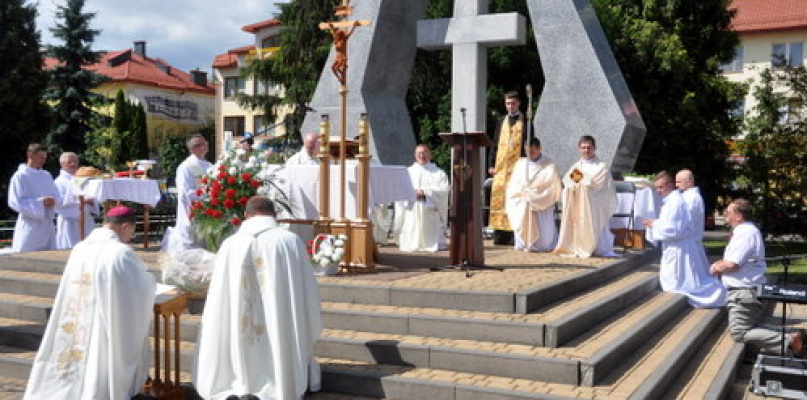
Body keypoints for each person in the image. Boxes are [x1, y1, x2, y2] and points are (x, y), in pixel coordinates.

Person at [194, 196, 322, 400]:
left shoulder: (230, 244)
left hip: (239, 321)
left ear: (246, 215)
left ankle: (239, 383)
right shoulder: (289, 242)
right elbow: (306, 288)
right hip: (281, 322)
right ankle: (279, 383)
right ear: (275, 214)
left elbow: (219, 298)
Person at [23, 206, 156, 400]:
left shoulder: (80, 248)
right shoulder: (119, 253)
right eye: (131, 232)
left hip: (76, 315)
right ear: (124, 226)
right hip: (100, 322)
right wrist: (151, 283)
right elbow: (141, 288)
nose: (130, 238)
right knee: (97, 358)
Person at [710, 199, 806, 357]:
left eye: (729, 212)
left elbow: (733, 264)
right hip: (745, 290)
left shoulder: (745, 233)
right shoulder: (746, 232)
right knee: (754, 325)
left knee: (739, 332)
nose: (725, 214)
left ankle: (790, 339)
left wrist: (716, 267)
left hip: (743, 291)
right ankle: (794, 334)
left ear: (739, 216)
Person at [643, 171, 725, 307]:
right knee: (680, 279)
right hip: (679, 244)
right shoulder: (676, 200)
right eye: (656, 188)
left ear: (669, 186)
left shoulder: (678, 201)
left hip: (680, 245)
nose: (658, 191)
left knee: (683, 281)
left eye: (660, 187)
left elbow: (674, 230)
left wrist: (654, 224)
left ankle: (709, 296)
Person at [553, 135, 618, 257]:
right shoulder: (576, 167)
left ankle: (593, 246)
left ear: (594, 148)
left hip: (595, 203)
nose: (586, 151)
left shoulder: (601, 167)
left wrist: (581, 184)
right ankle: (577, 245)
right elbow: (568, 182)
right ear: (579, 149)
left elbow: (598, 186)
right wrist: (574, 187)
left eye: (589, 148)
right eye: (583, 148)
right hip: (577, 202)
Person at [488, 91, 531, 245]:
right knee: (500, 199)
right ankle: (500, 233)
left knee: (515, 199)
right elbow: (494, 144)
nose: (510, 106)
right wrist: (491, 165)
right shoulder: (501, 121)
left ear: (519, 103)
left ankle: (514, 233)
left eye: (513, 103)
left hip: (517, 169)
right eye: (508, 103)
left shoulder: (526, 121)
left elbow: (529, 146)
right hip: (500, 169)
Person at [505, 138, 561, 252]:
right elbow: (514, 185)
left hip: (541, 204)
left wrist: (535, 195)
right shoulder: (520, 164)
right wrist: (523, 194)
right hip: (522, 203)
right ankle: (524, 243)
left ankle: (542, 245)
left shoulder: (549, 166)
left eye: (533, 151)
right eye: (527, 151)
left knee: (545, 241)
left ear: (539, 149)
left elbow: (552, 187)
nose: (530, 154)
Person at [161, 134, 212, 253]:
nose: (203, 147)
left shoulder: (209, 165)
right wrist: (208, 194)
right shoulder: (186, 167)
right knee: (190, 247)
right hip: (192, 210)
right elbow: (185, 192)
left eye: (204, 143)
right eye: (198, 145)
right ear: (191, 149)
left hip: (208, 209)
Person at [396, 144, 450, 252]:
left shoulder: (439, 173)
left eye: (424, 153)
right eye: (419, 153)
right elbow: (400, 191)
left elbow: (443, 192)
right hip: (412, 208)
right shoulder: (408, 172)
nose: (422, 155)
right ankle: (411, 242)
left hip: (429, 210)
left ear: (430, 155)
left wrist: (425, 193)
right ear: (415, 155)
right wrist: (411, 193)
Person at [7, 143, 61, 253]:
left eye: (45, 158)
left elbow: (57, 196)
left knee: (49, 254)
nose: (43, 161)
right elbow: (15, 202)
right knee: (25, 253)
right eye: (41, 157)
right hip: (30, 223)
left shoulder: (46, 175)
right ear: (30, 155)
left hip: (47, 224)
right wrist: (41, 203)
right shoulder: (20, 176)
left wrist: (53, 201)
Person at [54, 152, 98, 249]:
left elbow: (92, 197)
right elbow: (59, 204)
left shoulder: (84, 179)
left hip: (87, 219)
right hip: (70, 222)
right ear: (62, 164)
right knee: (71, 249)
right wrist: (81, 202)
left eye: (75, 161)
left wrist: (92, 201)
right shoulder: (59, 182)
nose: (73, 164)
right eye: (69, 162)